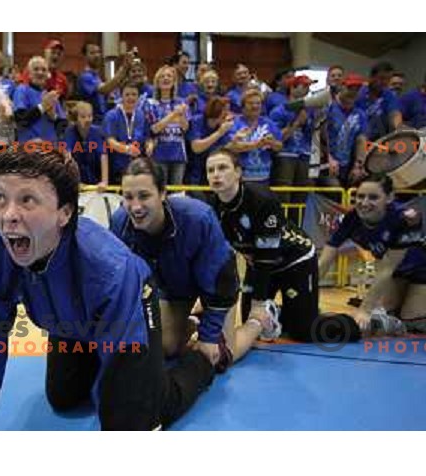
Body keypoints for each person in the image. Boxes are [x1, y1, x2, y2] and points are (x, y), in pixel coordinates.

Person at [0, 148, 233, 431]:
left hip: (129, 305)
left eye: (27, 200)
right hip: (72, 321)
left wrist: (123, 402)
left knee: (145, 413)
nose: (8, 215)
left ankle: (201, 363)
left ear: (64, 212)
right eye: (0, 199)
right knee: (64, 398)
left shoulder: (112, 272)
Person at [111, 157, 279, 362]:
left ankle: (260, 319)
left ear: (163, 194)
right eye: (128, 197)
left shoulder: (197, 219)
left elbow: (222, 280)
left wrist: (209, 338)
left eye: (144, 196)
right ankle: (195, 318)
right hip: (174, 287)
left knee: (220, 356)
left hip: (217, 287)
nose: (136, 207)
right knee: (165, 347)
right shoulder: (119, 223)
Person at [206, 147, 319, 342]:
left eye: (223, 168)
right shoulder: (213, 206)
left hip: (295, 259)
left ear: (238, 173)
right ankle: (284, 310)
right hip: (257, 262)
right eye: (210, 170)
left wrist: (259, 303)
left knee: (304, 332)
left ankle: (310, 314)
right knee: (251, 324)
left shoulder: (262, 200)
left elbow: (267, 255)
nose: (216, 175)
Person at [318, 174, 426, 334]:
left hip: (421, 271)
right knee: (387, 316)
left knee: (412, 323)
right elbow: (325, 260)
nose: (364, 203)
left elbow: (387, 268)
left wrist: (365, 310)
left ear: (389, 198)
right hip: (398, 274)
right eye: (360, 196)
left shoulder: (405, 218)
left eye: (373, 197)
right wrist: (308, 298)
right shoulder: (352, 218)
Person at [269, 75, 316, 203]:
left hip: (304, 154)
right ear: (292, 88)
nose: (307, 90)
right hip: (286, 154)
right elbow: (276, 138)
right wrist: (296, 124)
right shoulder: (279, 110)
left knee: (301, 194)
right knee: (283, 192)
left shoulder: (309, 110)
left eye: (309, 86)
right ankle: (282, 221)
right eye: (304, 86)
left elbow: (311, 135)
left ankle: (297, 223)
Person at [223, 89, 282, 186]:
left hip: (264, 176)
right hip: (239, 177)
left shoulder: (269, 123)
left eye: (258, 103)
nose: (255, 106)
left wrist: (272, 143)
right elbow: (231, 148)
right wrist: (258, 144)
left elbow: (279, 146)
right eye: (250, 103)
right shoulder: (234, 123)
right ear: (243, 105)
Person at [321, 73, 369, 189]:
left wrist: (358, 165)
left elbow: (361, 140)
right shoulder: (328, 108)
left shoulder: (360, 114)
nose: (353, 92)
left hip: (347, 164)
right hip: (324, 162)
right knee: (335, 189)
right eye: (350, 88)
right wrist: (329, 158)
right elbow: (319, 136)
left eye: (357, 89)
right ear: (341, 87)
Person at [147, 65, 190, 186]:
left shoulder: (181, 102)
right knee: (161, 190)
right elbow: (154, 128)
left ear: (174, 81)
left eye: (169, 76)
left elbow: (185, 128)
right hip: (159, 154)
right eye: (162, 76)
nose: (166, 78)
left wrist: (180, 117)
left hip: (179, 154)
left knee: (177, 192)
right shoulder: (151, 103)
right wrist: (174, 115)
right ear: (157, 82)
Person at [102, 82, 148, 184]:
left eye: (134, 94)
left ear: (139, 97)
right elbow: (110, 141)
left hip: (137, 167)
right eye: (127, 94)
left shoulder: (141, 115)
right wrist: (127, 149)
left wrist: (150, 145)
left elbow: (146, 136)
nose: (130, 97)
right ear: (121, 96)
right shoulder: (111, 115)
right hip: (116, 167)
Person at [13, 56, 66, 145]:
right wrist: (42, 107)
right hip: (29, 148)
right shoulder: (22, 90)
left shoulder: (51, 95)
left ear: (48, 74)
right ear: (29, 73)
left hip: (51, 149)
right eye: (36, 69)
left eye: (44, 70)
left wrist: (53, 116)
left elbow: (63, 126)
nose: (40, 73)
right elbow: (21, 120)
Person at [77, 42, 133, 124]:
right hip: (91, 123)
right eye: (92, 53)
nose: (96, 55)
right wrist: (123, 68)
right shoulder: (85, 77)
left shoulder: (97, 77)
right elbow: (104, 89)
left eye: (98, 52)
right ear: (85, 56)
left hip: (103, 121)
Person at [64, 101, 109, 189]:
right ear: (76, 119)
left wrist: (104, 181)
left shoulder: (97, 132)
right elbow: (67, 155)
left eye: (90, 116)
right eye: (83, 117)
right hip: (78, 176)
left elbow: (103, 156)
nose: (87, 120)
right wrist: (71, 181)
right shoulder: (70, 131)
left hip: (95, 176)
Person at [355, 61, 402, 141]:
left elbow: (394, 113)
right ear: (371, 77)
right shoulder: (360, 92)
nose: (385, 82)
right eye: (382, 78)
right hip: (358, 137)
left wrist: (398, 127)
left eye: (388, 79)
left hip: (379, 139)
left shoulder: (389, 94)